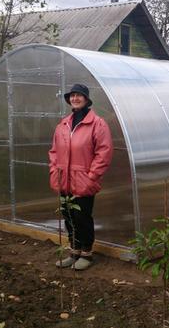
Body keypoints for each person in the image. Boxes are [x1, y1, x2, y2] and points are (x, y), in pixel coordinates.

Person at [49, 84, 113, 270]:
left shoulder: (97, 124)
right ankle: (74, 251)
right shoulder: (63, 124)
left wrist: (91, 176)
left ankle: (87, 253)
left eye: (79, 96)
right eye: (72, 96)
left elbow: (104, 152)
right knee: (68, 216)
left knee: (82, 217)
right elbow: (54, 151)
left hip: (83, 180)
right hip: (64, 179)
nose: (75, 98)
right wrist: (54, 170)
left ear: (86, 99)